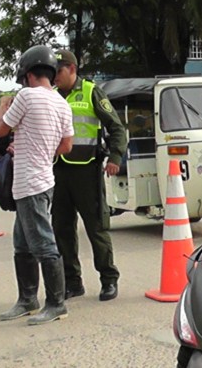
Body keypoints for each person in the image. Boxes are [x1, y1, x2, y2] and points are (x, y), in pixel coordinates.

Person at [0, 45, 74, 325]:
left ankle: (56, 304)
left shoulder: (26, 96)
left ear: (28, 74)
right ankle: (27, 299)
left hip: (30, 183)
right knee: (22, 244)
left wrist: (3, 105)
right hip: (44, 179)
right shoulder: (62, 103)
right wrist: (40, 150)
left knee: (42, 243)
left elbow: (1, 129)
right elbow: (66, 145)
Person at [51, 50, 128, 302]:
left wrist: (115, 157)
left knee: (96, 228)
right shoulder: (52, 95)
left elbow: (116, 127)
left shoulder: (91, 92)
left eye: (59, 71)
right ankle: (73, 282)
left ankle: (108, 279)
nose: (55, 76)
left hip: (87, 170)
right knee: (62, 229)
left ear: (72, 69)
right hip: (59, 170)